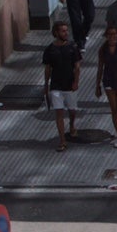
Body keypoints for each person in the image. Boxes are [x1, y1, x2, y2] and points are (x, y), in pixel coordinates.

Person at [42, 22, 82, 152]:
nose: (66, 33)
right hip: (56, 85)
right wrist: (46, 84)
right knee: (58, 112)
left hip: (70, 85)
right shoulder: (49, 50)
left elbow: (77, 66)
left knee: (72, 110)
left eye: (66, 30)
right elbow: (48, 68)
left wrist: (76, 82)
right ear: (56, 33)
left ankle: (71, 125)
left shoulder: (72, 47)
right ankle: (62, 140)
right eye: (63, 31)